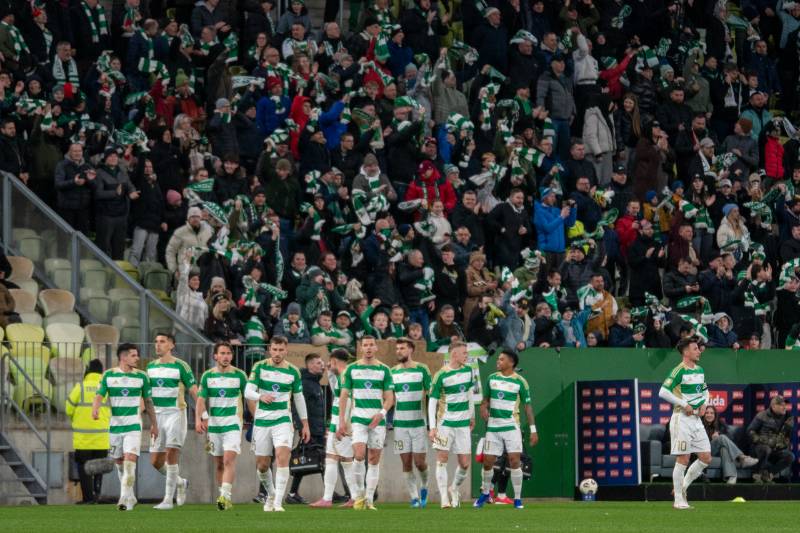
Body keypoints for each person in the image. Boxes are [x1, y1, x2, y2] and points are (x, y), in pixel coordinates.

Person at [246, 336, 311, 512]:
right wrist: (260, 396)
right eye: (274, 349)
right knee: (262, 465)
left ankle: (277, 502)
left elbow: (299, 398)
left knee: (283, 457)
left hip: (283, 420)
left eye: (281, 350)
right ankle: (271, 494)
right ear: (269, 349)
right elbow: (248, 391)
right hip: (262, 421)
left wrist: (305, 424)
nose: (277, 353)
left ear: (286, 350)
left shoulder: (293, 371)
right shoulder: (259, 367)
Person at [92, 343, 158, 512]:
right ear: (123, 357)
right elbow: (99, 395)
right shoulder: (109, 375)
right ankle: (130, 496)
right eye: (133, 355)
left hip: (133, 426)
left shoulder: (142, 377)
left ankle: (123, 498)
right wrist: (95, 408)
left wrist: (154, 424)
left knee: (129, 460)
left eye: (137, 355)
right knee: (120, 463)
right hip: (115, 427)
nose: (137, 358)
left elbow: (148, 402)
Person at [336, 336, 395, 510]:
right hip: (358, 419)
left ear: (376, 348)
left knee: (374, 459)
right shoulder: (351, 369)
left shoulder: (384, 370)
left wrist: (381, 414)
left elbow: (390, 398)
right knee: (359, 455)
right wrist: (342, 421)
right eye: (365, 345)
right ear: (361, 348)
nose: (368, 348)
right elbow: (344, 396)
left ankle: (369, 499)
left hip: (377, 421)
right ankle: (360, 494)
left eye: (371, 345)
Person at [474, 350, 537, 510]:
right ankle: (485, 493)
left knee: (515, 461)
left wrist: (533, 430)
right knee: (488, 462)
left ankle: (517, 499)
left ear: (511, 363)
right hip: (493, 428)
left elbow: (528, 407)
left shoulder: (520, 382)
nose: (498, 361)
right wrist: (483, 407)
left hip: (511, 427)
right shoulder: (491, 378)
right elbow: (485, 400)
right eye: (498, 359)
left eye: (501, 359)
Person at [146, 333, 198, 510]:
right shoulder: (150, 367)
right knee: (155, 461)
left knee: (171, 453)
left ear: (171, 345)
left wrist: (203, 415)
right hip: (157, 416)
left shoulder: (181, 365)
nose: (158, 345)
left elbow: (193, 390)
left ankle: (168, 500)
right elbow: (146, 395)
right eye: (156, 342)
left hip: (175, 414)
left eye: (162, 342)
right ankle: (181, 482)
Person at [195, 341, 248, 510]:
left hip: (233, 423)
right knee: (218, 463)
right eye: (222, 353)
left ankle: (225, 497)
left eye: (228, 353)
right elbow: (201, 400)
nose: (226, 357)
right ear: (215, 356)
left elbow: (249, 397)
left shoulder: (240, 375)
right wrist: (199, 419)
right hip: (214, 426)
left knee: (228, 460)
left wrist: (256, 417)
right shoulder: (208, 376)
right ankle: (223, 495)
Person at [658, 337, 710, 510]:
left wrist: (705, 404)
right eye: (695, 348)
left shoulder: (700, 370)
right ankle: (679, 500)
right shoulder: (678, 370)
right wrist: (683, 404)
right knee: (683, 458)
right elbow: (663, 392)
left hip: (696, 419)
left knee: (706, 457)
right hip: (681, 418)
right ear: (686, 352)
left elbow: (705, 391)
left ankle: (683, 487)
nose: (699, 351)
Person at [428, 341, 474, 509]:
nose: (467, 356)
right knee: (442, 459)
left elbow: (469, 394)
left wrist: (472, 415)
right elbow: (432, 401)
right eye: (464, 353)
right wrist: (432, 427)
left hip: (463, 425)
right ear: (454, 354)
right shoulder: (441, 375)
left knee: (465, 464)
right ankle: (444, 499)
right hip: (444, 425)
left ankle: (453, 488)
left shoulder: (468, 371)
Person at [310, 349, 357, 508]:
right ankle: (342, 498)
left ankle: (339, 498)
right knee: (339, 459)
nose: (328, 365)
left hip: (341, 424)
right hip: (340, 422)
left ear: (334, 360)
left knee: (339, 459)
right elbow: (338, 396)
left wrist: (342, 424)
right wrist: (330, 373)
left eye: (330, 362)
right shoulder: (343, 375)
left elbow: (348, 401)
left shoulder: (345, 376)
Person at [390, 338, 432, 508]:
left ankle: (425, 486)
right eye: (397, 348)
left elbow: (431, 394)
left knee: (419, 463)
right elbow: (389, 397)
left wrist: (433, 423)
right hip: (400, 425)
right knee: (406, 463)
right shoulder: (392, 372)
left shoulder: (422, 369)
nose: (399, 351)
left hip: (418, 424)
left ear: (411, 350)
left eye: (402, 348)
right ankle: (414, 498)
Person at [65, 359, 110, 505]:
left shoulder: (80, 387)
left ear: (87, 371)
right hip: (102, 438)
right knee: (99, 468)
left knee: (84, 469)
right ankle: (97, 495)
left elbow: (68, 409)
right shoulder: (106, 389)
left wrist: (78, 418)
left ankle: (88, 499)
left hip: (83, 440)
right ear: (102, 372)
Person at [286, 353, 327, 504]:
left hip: (317, 429)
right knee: (317, 459)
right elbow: (297, 406)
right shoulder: (305, 383)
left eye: (322, 362)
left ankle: (292, 493)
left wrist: (323, 427)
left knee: (307, 459)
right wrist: (302, 427)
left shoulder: (315, 383)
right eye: (318, 363)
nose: (322, 365)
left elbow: (317, 410)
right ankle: (329, 493)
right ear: (310, 365)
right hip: (310, 429)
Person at [702, 405, 758, 484]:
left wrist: (719, 434)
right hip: (705, 450)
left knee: (724, 448)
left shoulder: (720, 424)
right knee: (721, 438)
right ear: (703, 414)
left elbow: (728, 437)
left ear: (715, 415)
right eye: (707, 413)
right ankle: (742, 457)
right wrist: (712, 439)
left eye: (712, 413)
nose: (709, 415)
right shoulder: (700, 425)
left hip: (718, 450)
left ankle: (731, 477)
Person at [747, 395, 795, 483]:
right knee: (766, 449)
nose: (784, 407)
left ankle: (769, 474)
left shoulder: (787, 417)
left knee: (790, 456)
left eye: (785, 405)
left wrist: (784, 442)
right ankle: (757, 474)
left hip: (775, 449)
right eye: (781, 405)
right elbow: (750, 431)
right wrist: (763, 440)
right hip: (759, 448)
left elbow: (787, 438)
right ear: (773, 406)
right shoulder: (762, 415)